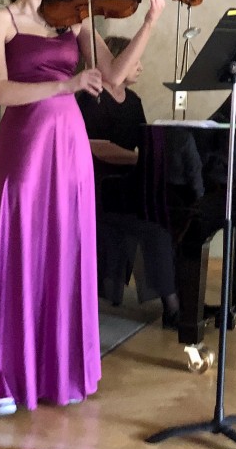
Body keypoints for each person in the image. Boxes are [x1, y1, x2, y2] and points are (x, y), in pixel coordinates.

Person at [0, 0, 165, 415]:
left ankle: (60, 371)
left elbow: (114, 78)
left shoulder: (74, 23)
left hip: (69, 144)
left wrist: (149, 23)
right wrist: (65, 86)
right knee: (19, 248)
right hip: (25, 144)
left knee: (65, 249)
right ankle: (3, 378)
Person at [77, 36, 181, 329]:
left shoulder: (133, 101)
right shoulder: (91, 98)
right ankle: (173, 308)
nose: (140, 67)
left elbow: (143, 142)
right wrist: (138, 160)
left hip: (125, 187)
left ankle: (179, 301)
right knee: (155, 229)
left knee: (169, 220)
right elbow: (95, 146)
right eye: (134, 60)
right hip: (98, 191)